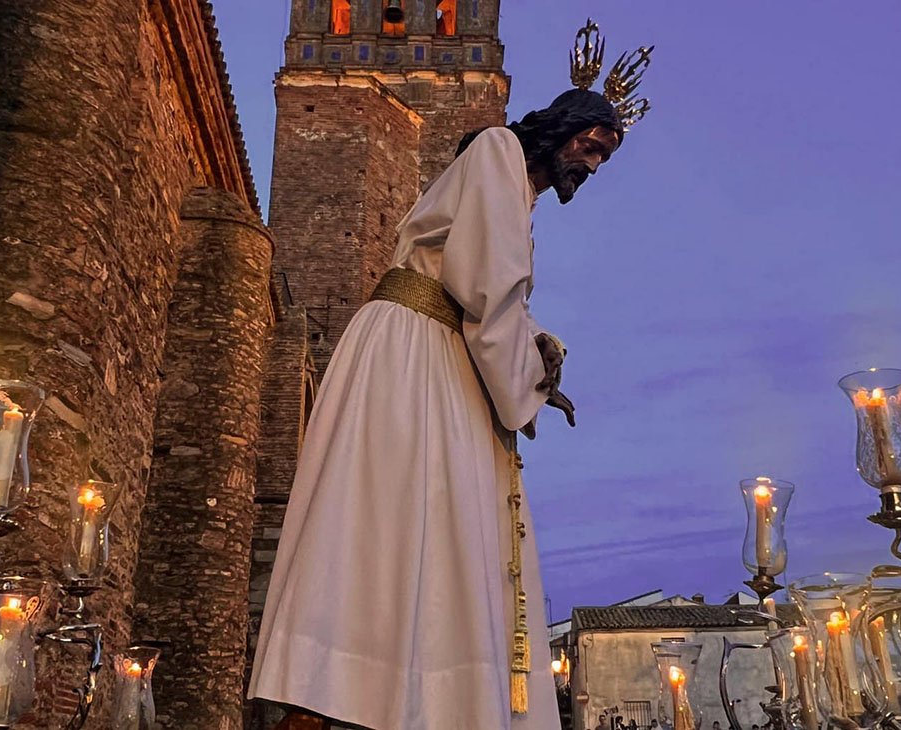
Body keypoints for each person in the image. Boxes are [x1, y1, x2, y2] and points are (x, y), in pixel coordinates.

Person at [248, 21, 650, 730]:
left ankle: (395, 695)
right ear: (563, 130)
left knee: (421, 523)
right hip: (420, 349)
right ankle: (361, 692)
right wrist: (527, 386)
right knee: (407, 513)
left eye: (604, 158)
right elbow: (487, 291)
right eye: (592, 147)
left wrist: (536, 356)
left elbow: (491, 291)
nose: (592, 166)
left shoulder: (507, 183)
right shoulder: (497, 149)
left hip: (427, 343)